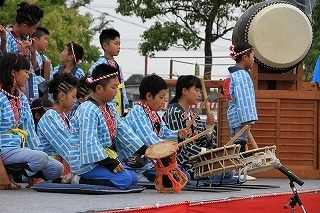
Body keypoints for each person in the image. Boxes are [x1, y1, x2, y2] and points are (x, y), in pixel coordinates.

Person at [68, 64, 147, 189]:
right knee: (125, 179)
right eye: (113, 87)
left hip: (100, 158)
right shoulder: (87, 109)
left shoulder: (109, 109)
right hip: (86, 162)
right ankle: (79, 179)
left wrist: (145, 150)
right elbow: (89, 143)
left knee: (132, 178)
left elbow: (124, 132)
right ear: (99, 88)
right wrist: (110, 163)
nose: (116, 91)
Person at [0, 53, 64, 188]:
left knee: (57, 168)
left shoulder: (21, 99)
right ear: (13, 72)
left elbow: (29, 132)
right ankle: (6, 175)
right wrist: (2, 174)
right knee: (40, 158)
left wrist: (34, 161)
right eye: (25, 71)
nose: (28, 76)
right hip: (3, 151)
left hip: (17, 150)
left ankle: (21, 174)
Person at [124, 74, 190, 180]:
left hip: (152, 162)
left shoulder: (153, 114)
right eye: (161, 97)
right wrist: (168, 148)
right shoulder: (137, 112)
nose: (163, 102)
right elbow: (150, 140)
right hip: (140, 164)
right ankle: (144, 176)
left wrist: (177, 134)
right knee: (182, 177)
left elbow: (164, 133)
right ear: (149, 96)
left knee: (185, 176)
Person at [163, 75, 227, 182]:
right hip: (182, 163)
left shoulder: (193, 115)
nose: (199, 94)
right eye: (196, 90)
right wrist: (205, 152)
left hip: (196, 160)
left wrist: (209, 126)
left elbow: (203, 142)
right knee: (222, 174)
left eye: (200, 91)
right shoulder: (173, 113)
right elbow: (180, 147)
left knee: (226, 172)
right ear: (185, 91)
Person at [37, 73, 78, 179]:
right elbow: (67, 148)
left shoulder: (62, 116)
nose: (75, 101)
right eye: (73, 97)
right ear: (62, 96)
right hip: (51, 168)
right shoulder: (50, 117)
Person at [223, 43, 258, 152]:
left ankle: (235, 165)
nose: (253, 60)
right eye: (252, 56)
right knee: (240, 143)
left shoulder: (232, 75)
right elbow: (244, 98)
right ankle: (240, 164)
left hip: (234, 115)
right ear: (245, 57)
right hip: (241, 116)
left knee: (235, 141)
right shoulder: (241, 76)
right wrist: (246, 119)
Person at [5, 2, 44, 101]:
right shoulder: (6, 37)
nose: (34, 31)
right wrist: (21, 53)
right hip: (12, 88)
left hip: (30, 86)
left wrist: (34, 53)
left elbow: (36, 69)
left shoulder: (27, 40)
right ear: (24, 26)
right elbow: (5, 65)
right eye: (34, 28)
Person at [88, 28, 128, 116]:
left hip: (118, 103)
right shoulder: (99, 65)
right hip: (106, 105)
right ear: (105, 46)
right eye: (115, 43)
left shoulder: (117, 65)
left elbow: (121, 85)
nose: (118, 47)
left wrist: (124, 102)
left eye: (119, 44)